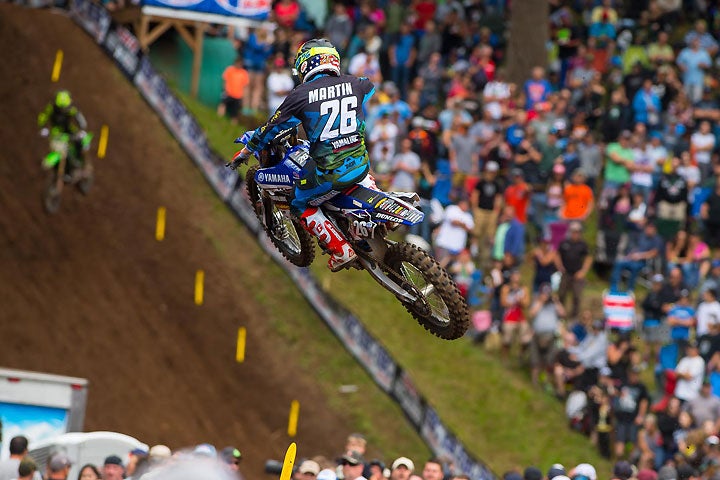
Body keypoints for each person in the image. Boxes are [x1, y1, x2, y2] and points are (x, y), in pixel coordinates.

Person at [230, 39, 375, 271]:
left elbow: (269, 130)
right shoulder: (356, 83)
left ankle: (341, 249)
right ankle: (364, 225)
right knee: (358, 173)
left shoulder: (301, 95)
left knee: (299, 202)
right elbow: (370, 88)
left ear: (308, 64)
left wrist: (246, 151)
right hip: (361, 165)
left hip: (330, 173)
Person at [37, 90, 89, 179]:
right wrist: (42, 128)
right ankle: (63, 169)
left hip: (69, 130)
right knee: (60, 150)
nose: (62, 110)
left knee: (80, 142)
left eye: (64, 108)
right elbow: (43, 116)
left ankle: (80, 161)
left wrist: (82, 130)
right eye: (59, 108)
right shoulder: (51, 108)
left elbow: (80, 118)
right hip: (56, 132)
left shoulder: (71, 110)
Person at [529, 283, 565, 387]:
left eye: (547, 294)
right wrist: (541, 301)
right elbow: (532, 313)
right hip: (537, 335)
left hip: (551, 336)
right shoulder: (536, 302)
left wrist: (556, 301)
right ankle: (534, 381)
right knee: (535, 359)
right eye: (544, 293)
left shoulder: (554, 305)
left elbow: (563, 314)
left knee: (549, 360)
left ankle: (545, 381)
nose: (546, 296)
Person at [555, 222, 592, 320]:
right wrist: (560, 266)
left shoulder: (582, 245)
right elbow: (557, 254)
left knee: (577, 296)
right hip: (566, 273)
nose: (575, 234)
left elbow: (588, 258)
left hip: (577, 274)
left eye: (577, 232)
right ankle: (560, 315)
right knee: (561, 294)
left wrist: (583, 271)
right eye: (573, 232)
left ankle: (574, 317)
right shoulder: (564, 243)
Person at [217, 57, 249, 124]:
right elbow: (225, 80)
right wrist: (225, 90)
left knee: (235, 113)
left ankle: (233, 125)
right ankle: (218, 119)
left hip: (238, 95)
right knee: (222, 105)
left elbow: (245, 86)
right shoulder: (230, 70)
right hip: (228, 93)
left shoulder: (244, 73)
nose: (239, 65)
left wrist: (244, 97)